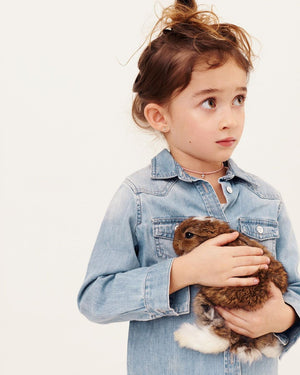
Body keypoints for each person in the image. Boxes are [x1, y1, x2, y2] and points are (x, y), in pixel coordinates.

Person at [77, 0, 300, 374]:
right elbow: (96, 299)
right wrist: (183, 272)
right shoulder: (140, 198)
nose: (230, 119)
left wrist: (282, 318)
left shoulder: (265, 199)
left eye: (239, 99)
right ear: (159, 116)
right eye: (210, 102)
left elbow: (297, 285)